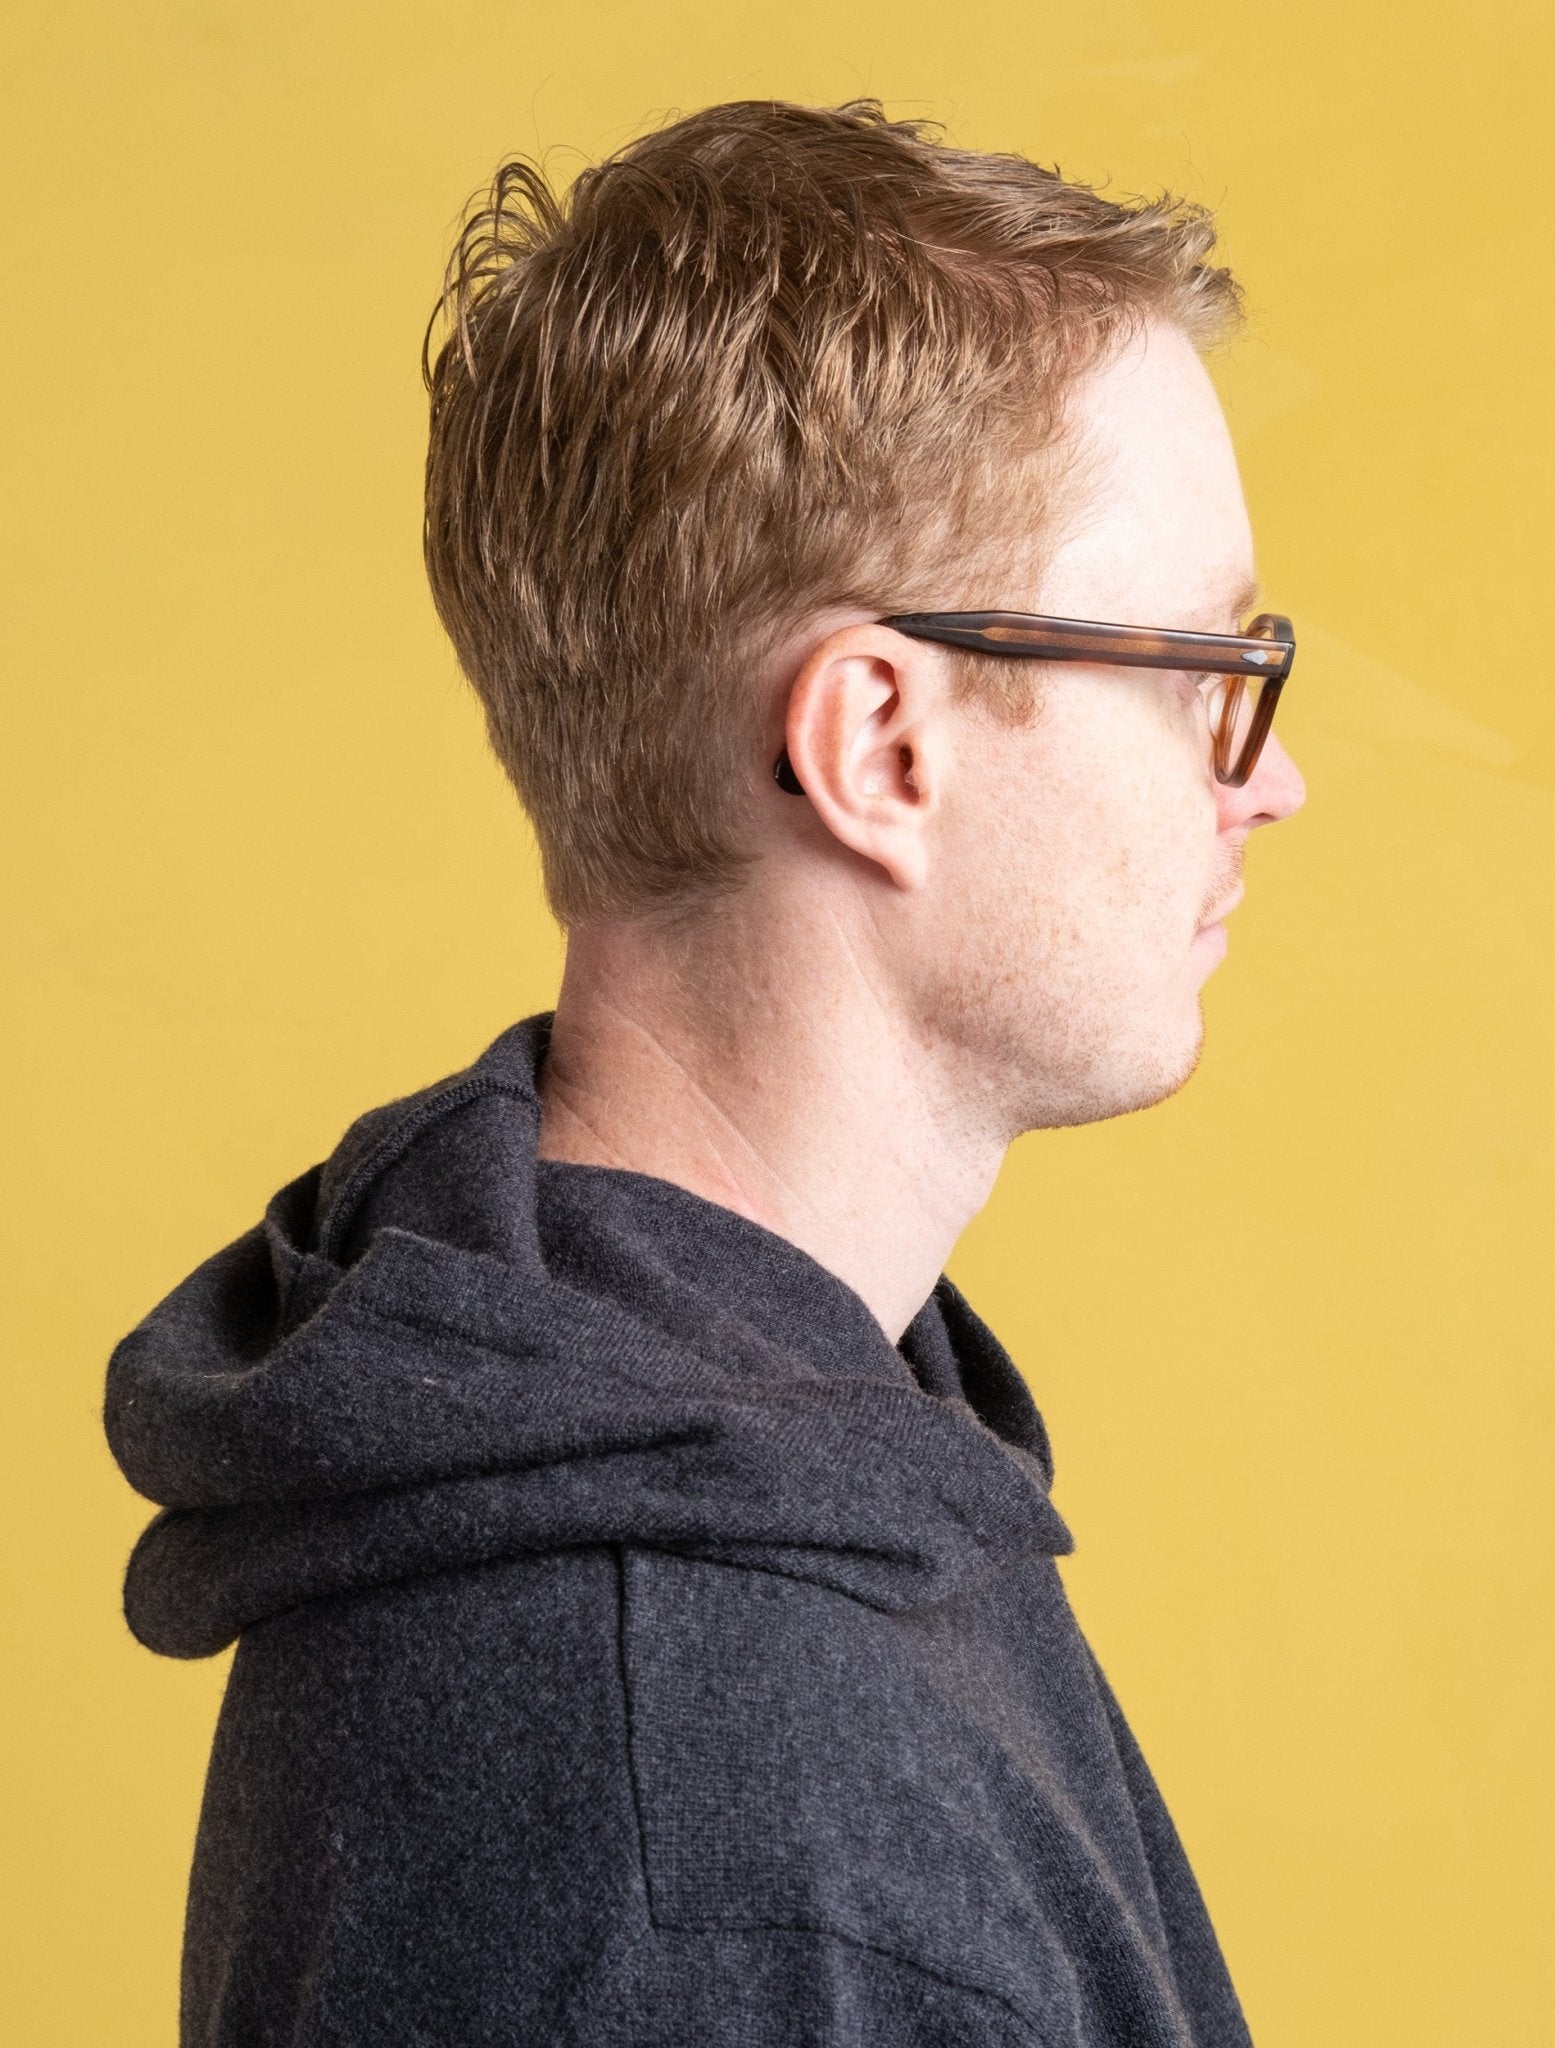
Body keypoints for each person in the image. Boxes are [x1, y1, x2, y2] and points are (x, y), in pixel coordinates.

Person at [106, 98, 1305, 2047]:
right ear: (880, 745)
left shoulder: (695, 1436)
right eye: (1198, 668)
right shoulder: (699, 1837)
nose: (1270, 777)